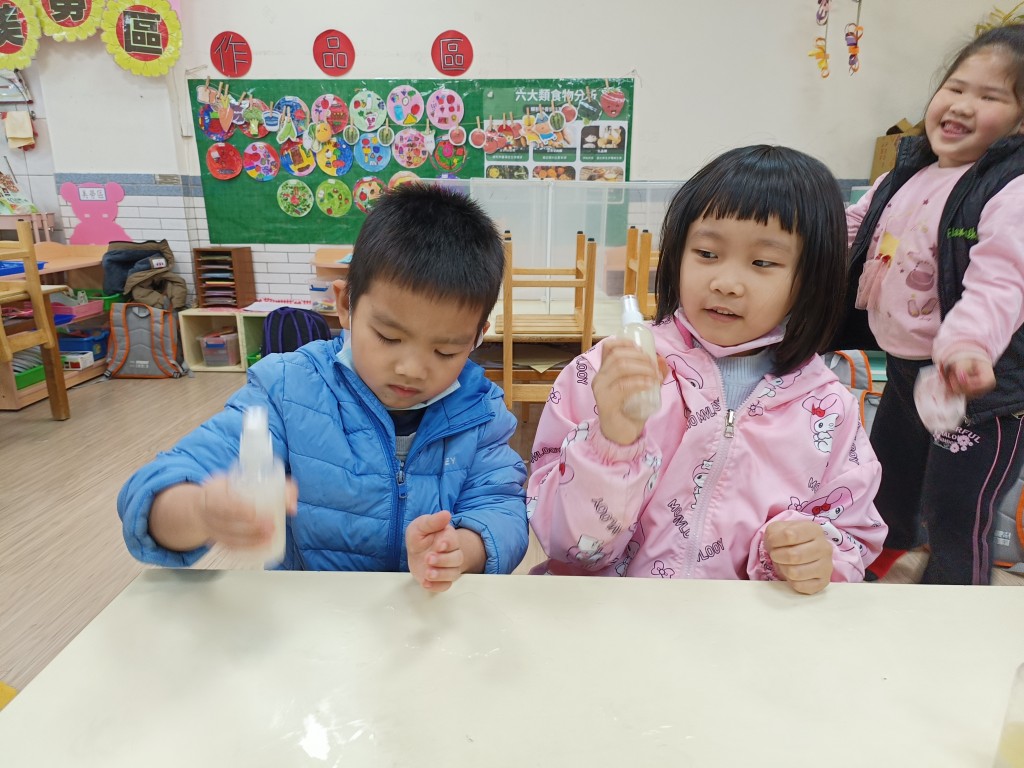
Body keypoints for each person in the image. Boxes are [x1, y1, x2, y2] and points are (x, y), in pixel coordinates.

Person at [118, 184, 529, 591]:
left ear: (478, 336)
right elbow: (155, 491)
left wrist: (461, 550)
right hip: (311, 615)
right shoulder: (287, 391)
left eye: (445, 350)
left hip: (424, 613)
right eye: (388, 337)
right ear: (345, 304)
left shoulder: (480, 410)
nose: (411, 369)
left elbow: (502, 508)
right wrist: (203, 510)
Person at [526, 145, 886, 595]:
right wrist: (612, 442)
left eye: (763, 263)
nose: (725, 283)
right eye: (707, 253)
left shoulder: (829, 408)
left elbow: (851, 538)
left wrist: (812, 556)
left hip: (738, 630)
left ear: (810, 278)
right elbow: (566, 546)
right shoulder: (606, 372)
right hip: (607, 619)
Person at [836, 25, 1024, 585]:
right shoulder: (908, 171)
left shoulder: (1010, 189)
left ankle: (954, 609)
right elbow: (852, 228)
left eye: (990, 97)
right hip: (905, 369)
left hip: (977, 388)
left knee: (954, 515)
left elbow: (1002, 282)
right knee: (882, 485)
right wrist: (780, 250)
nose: (962, 105)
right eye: (956, 87)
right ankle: (879, 575)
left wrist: (968, 345)